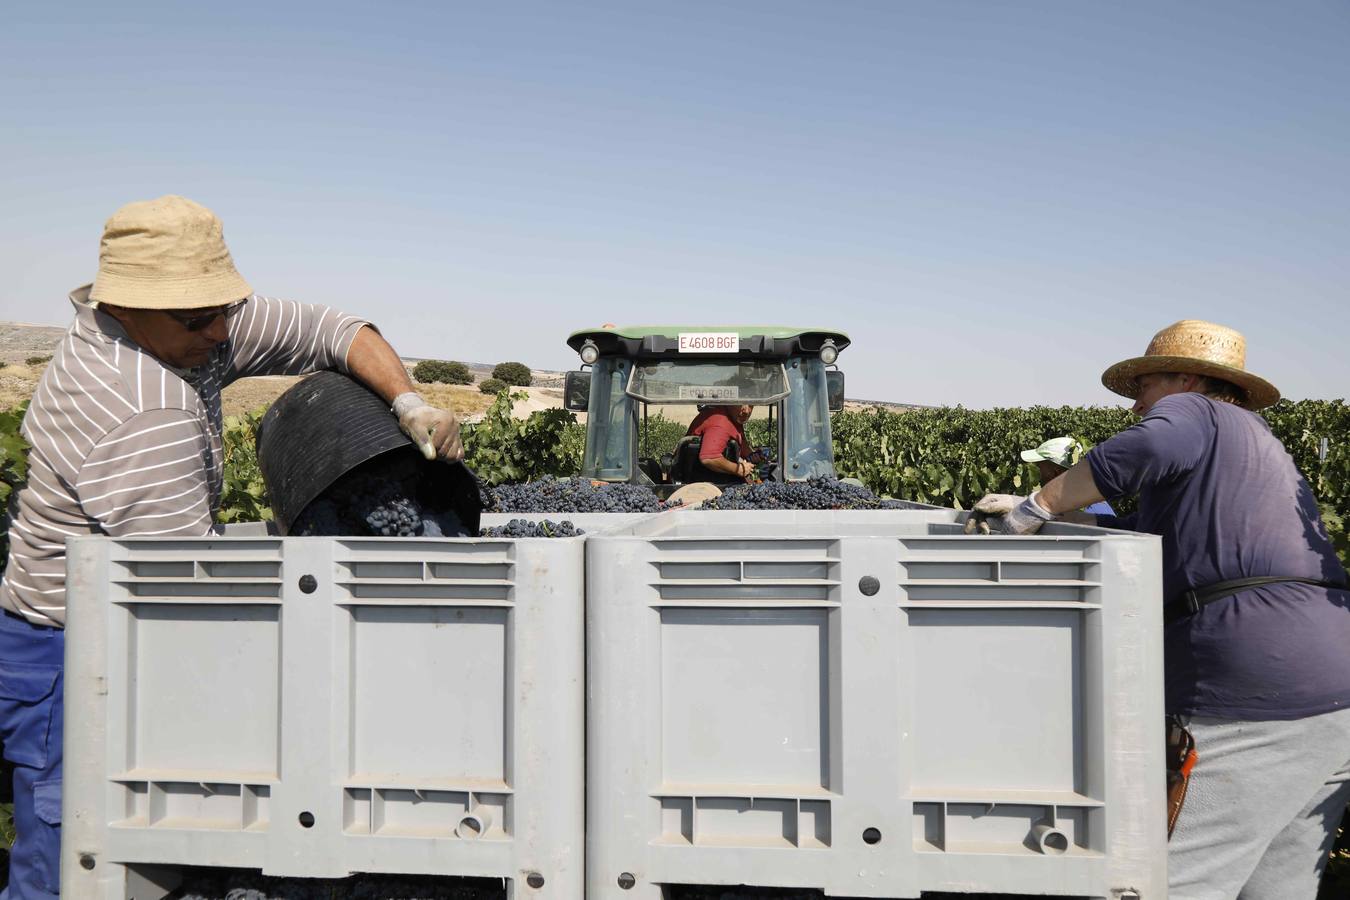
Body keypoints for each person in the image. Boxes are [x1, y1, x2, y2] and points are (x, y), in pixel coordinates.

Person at [0, 195, 463, 899]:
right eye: (198, 318)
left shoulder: (185, 329)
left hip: (135, 608)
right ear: (124, 308)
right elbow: (192, 600)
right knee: (74, 861)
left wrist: (408, 402)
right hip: (69, 651)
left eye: (222, 308)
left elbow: (332, 329)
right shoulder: (138, 408)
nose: (221, 331)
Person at [972, 319, 1350, 900]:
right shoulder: (1254, 442)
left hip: (1257, 688)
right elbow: (1171, 543)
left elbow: (1149, 444)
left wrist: (1037, 504)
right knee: (1278, 885)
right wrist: (1076, 518)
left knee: (1171, 882)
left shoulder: (1195, 413)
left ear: (1188, 379)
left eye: (1145, 387)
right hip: (1333, 692)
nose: (1137, 406)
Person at [1018, 437, 1114, 516]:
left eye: (1039, 466)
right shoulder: (1094, 503)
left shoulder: (1075, 515)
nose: (1036, 470)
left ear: (1056, 473)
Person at [685, 403, 755, 483]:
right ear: (729, 401)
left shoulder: (733, 417)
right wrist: (738, 469)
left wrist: (755, 456)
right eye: (740, 404)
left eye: (751, 404)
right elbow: (709, 458)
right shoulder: (721, 423)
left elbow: (743, 445)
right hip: (705, 483)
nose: (746, 411)